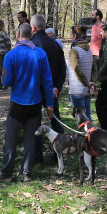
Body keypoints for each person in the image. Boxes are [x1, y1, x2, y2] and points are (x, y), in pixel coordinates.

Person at [0, 23, 53, 182]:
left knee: (11, 138)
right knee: (30, 138)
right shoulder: (40, 54)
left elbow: (6, 81)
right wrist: (50, 104)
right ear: (31, 35)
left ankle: (7, 173)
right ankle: (27, 172)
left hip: (18, 103)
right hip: (35, 103)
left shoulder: (10, 55)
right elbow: (47, 81)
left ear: (18, 35)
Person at [30, 14, 66, 158]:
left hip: (37, 90)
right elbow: (62, 69)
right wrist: (56, 87)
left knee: (36, 122)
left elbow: (32, 70)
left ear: (33, 27)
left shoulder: (32, 44)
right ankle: (61, 151)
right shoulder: (55, 44)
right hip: (51, 90)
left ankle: (37, 156)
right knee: (55, 119)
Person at [67, 25, 98, 120]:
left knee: (81, 118)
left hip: (77, 90)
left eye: (71, 35)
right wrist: (92, 83)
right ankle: (91, 134)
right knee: (87, 114)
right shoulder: (88, 50)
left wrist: (87, 83)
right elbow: (94, 69)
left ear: (75, 36)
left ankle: (86, 134)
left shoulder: (74, 50)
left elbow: (76, 68)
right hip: (87, 89)